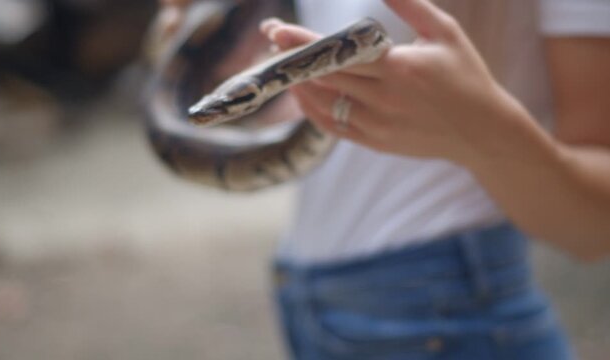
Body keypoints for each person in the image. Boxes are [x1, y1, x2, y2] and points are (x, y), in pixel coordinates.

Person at [162, 0, 610, 359]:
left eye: (223, 106)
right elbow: (341, 121)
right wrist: (216, 60)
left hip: (442, 308)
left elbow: (596, 225)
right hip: (308, 293)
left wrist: (481, 132)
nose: (212, 116)